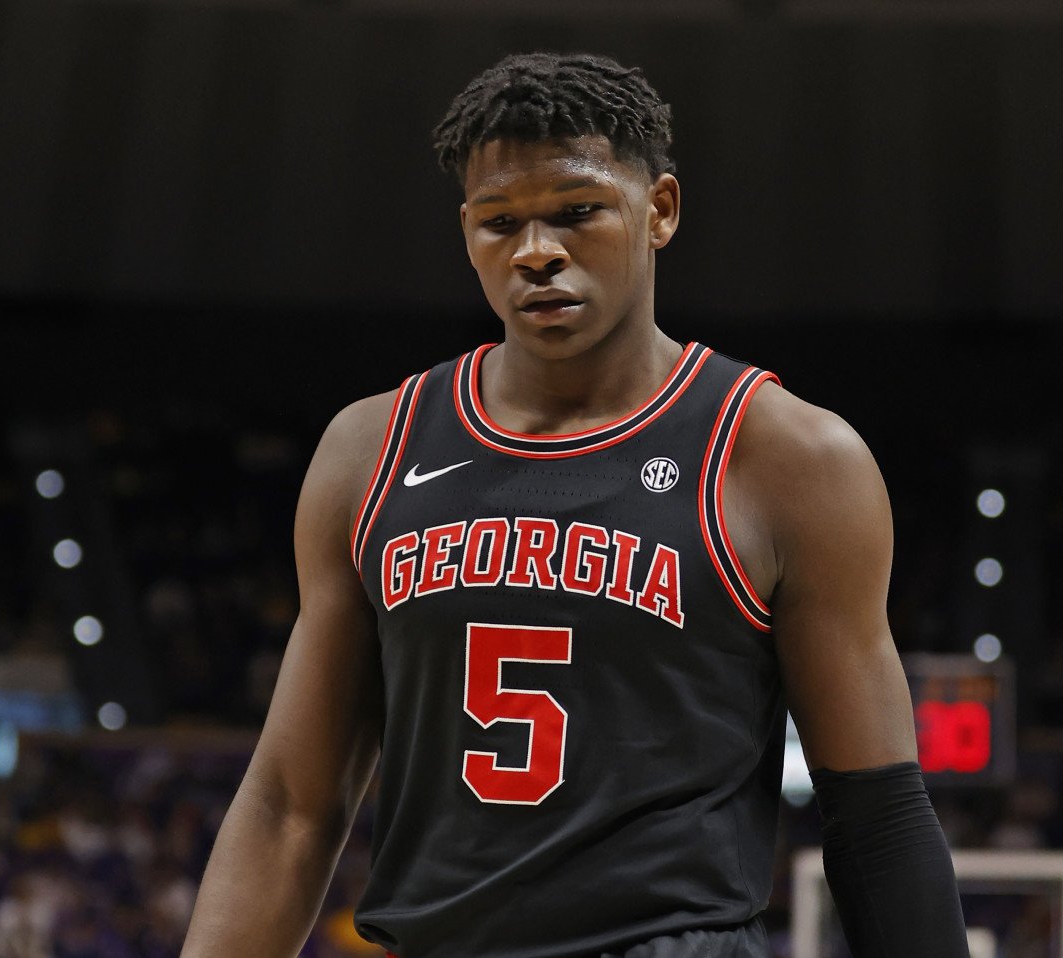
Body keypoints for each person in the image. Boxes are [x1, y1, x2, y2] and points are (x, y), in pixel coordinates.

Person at [180, 52, 968, 958]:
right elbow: (290, 805)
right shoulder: (371, 450)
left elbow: (876, 816)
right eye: (499, 222)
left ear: (659, 210)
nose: (535, 251)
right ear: (467, 233)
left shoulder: (788, 457)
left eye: (576, 211)